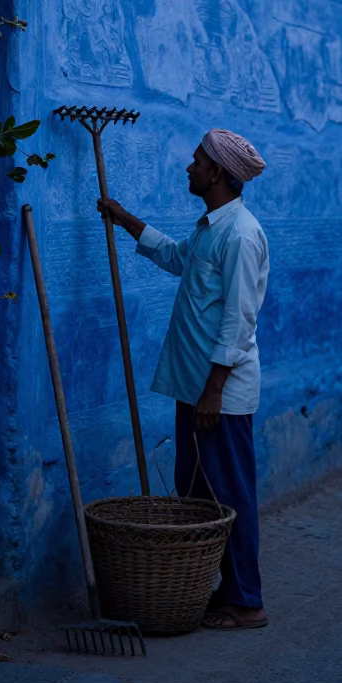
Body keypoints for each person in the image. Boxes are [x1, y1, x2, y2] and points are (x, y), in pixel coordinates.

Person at [97, 127, 270, 630]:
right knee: (196, 492)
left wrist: (214, 390)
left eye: (196, 161)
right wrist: (124, 217)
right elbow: (176, 258)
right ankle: (216, 586)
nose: (188, 167)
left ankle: (246, 599)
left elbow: (239, 322)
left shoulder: (240, 234)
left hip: (219, 394)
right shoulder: (211, 228)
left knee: (228, 496)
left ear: (217, 173)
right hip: (195, 387)